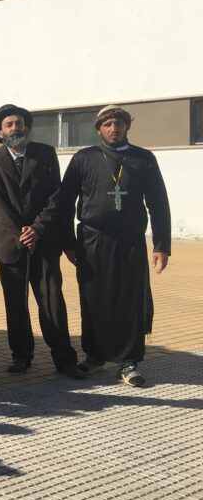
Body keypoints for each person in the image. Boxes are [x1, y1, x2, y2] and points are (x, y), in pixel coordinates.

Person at [59, 105, 171, 387]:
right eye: (107, 123)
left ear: (127, 127)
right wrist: (67, 243)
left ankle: (128, 361)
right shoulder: (84, 158)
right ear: (99, 129)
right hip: (92, 241)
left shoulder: (143, 159)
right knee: (94, 299)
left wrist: (161, 244)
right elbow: (64, 203)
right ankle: (95, 356)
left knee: (130, 300)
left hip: (131, 242)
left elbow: (158, 203)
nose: (113, 128)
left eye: (119, 123)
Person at [0, 104, 84, 380]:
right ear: (0, 132)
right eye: (9, 124)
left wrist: (36, 229)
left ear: (27, 127)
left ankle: (64, 358)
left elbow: (56, 197)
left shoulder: (45, 154)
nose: (15, 128)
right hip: (10, 243)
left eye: (19, 123)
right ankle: (21, 356)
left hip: (44, 241)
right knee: (15, 303)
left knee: (52, 301)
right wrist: (21, 233)